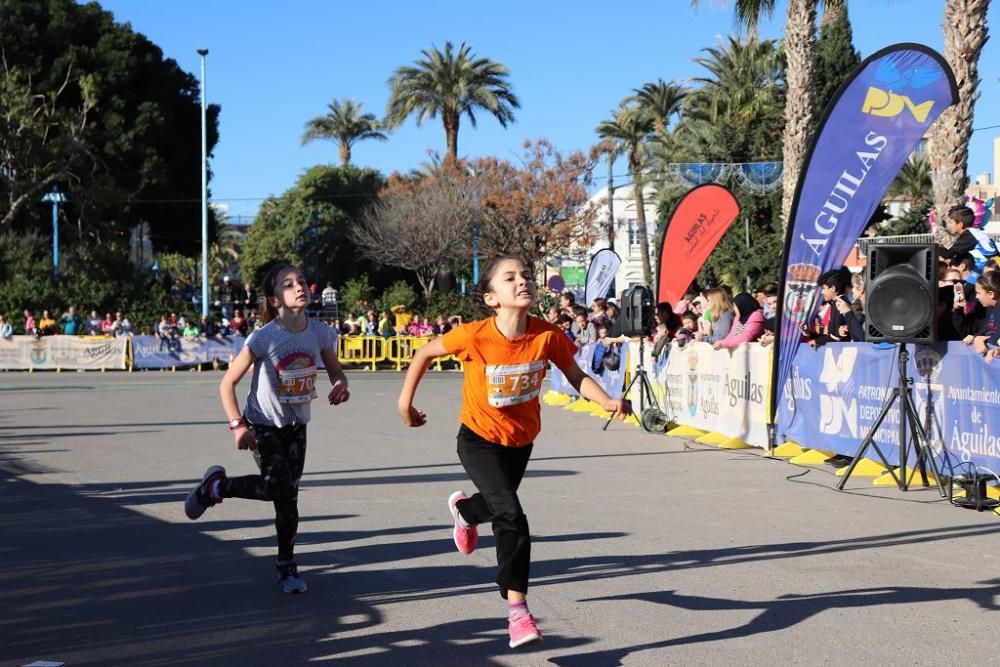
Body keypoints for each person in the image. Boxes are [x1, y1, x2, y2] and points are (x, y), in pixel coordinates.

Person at [396, 255, 630, 649]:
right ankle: (518, 612)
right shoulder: (473, 335)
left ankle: (464, 512)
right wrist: (405, 405)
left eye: (525, 275)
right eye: (510, 278)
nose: (522, 281)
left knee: (494, 506)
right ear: (492, 298)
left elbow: (575, 376)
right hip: (477, 439)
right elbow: (423, 354)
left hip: (520, 442)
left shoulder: (547, 335)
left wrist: (605, 401)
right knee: (512, 516)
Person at [184, 262, 350, 594]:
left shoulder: (319, 333)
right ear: (274, 300)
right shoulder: (263, 337)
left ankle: (217, 488)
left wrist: (341, 384)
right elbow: (227, 383)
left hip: (296, 426)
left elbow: (337, 372)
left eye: (301, 280)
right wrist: (237, 427)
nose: (299, 286)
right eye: (288, 284)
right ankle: (286, 566)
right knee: (280, 489)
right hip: (262, 423)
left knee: (287, 497)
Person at [938, 205, 998, 285]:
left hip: (990, 270)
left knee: (966, 289)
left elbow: (947, 254)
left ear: (960, 224)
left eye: (951, 222)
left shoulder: (969, 236)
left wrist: (934, 246)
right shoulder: (974, 233)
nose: (949, 225)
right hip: (989, 268)